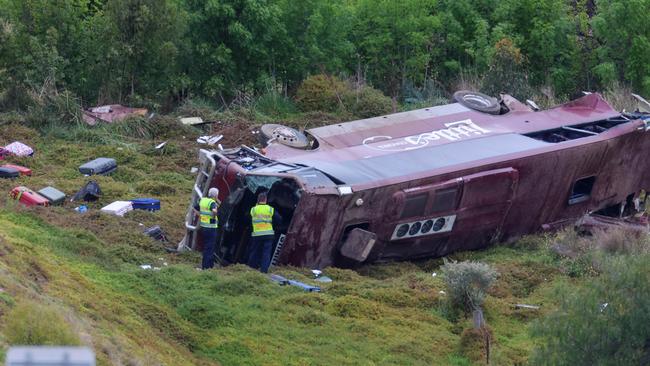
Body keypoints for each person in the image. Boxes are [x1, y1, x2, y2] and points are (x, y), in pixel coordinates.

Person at [247, 192, 281, 273]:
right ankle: (264, 271)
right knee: (266, 253)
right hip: (268, 235)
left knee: (254, 252)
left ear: (258, 200)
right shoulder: (270, 209)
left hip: (257, 235)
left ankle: (251, 268)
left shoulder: (253, 209)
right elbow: (279, 219)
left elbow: (249, 218)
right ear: (266, 200)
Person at [195, 187, 219, 269]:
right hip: (211, 228)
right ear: (216, 195)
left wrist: (200, 215)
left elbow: (195, 208)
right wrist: (214, 215)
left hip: (204, 226)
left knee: (207, 246)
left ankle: (209, 265)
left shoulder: (203, 200)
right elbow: (214, 211)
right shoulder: (212, 202)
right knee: (209, 248)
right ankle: (206, 267)